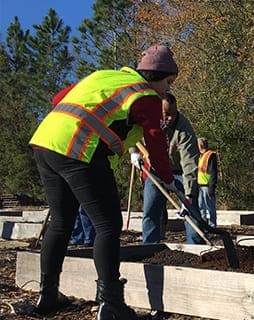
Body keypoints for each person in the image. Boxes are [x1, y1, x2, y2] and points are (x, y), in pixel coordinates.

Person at [29, 44, 181, 319]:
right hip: (78, 148)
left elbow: (58, 99)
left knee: (62, 223)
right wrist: (168, 179)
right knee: (108, 225)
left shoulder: (104, 75)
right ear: (158, 76)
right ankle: (111, 304)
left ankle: (47, 295)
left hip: (45, 141)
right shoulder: (146, 95)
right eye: (168, 83)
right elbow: (157, 142)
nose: (166, 91)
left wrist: (116, 132)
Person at [140, 92, 205, 244]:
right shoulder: (149, 121)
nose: (170, 118)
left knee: (191, 209)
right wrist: (133, 153)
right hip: (156, 172)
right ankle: (149, 247)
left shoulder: (183, 127)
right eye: (166, 114)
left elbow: (189, 161)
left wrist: (188, 194)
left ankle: (196, 247)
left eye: (173, 113)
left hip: (179, 172)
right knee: (150, 210)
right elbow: (132, 134)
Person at [197, 137, 218, 228]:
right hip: (200, 185)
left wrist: (211, 186)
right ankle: (204, 224)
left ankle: (212, 225)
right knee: (201, 206)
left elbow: (213, 172)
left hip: (207, 185)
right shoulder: (200, 156)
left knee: (210, 207)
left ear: (200, 145)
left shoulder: (210, 155)